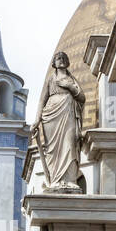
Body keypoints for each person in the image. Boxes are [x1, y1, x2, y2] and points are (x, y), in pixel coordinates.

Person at [36, 51, 85, 190]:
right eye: (58, 58)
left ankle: (69, 180)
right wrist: (36, 120)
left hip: (68, 114)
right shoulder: (50, 79)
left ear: (68, 61)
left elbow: (82, 98)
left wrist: (70, 87)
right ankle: (55, 180)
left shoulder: (72, 79)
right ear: (54, 62)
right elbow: (41, 101)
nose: (61, 60)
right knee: (53, 150)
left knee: (69, 144)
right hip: (51, 117)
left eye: (64, 58)